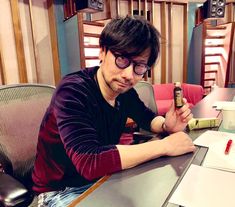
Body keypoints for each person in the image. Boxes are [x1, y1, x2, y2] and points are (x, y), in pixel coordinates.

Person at [32, 15, 195, 206]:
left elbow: (147, 118)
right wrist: (165, 146)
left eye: (139, 66)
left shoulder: (124, 92)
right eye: (122, 59)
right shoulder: (72, 91)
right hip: (59, 190)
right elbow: (89, 161)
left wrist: (167, 124)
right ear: (102, 52)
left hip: (104, 179)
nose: (128, 75)